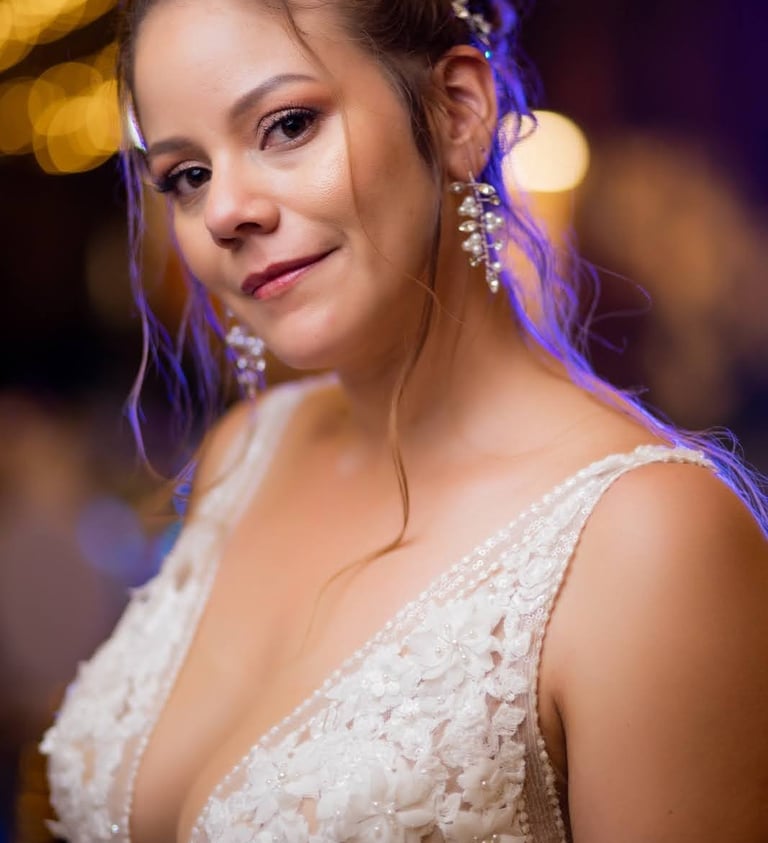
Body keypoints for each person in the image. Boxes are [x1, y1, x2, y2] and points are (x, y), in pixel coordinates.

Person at [40, 0, 768, 841]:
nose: (225, 211)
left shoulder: (649, 536)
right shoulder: (244, 453)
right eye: (187, 176)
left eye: (287, 125)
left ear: (457, 112)